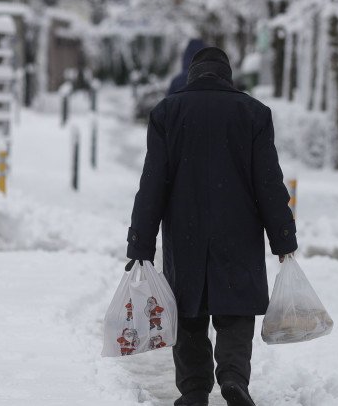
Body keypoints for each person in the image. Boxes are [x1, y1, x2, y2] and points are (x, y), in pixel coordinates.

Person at [126, 47, 297, 406]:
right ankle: (233, 376)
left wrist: (141, 242)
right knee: (235, 309)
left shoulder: (167, 112)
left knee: (188, 311)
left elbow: (152, 183)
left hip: (185, 232)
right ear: (227, 75)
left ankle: (193, 390)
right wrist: (283, 237)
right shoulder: (253, 113)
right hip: (238, 231)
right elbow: (269, 182)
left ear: (192, 73)